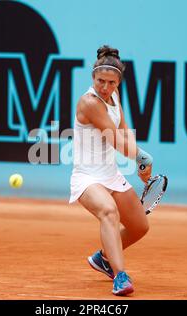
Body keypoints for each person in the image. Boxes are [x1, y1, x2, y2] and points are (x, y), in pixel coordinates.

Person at [69, 45, 153, 296]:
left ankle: (103, 258)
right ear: (93, 77)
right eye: (100, 81)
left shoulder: (114, 98)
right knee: (108, 211)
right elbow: (116, 140)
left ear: (118, 83)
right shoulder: (89, 102)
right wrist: (143, 156)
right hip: (87, 178)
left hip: (111, 175)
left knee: (140, 227)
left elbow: (125, 130)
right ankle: (120, 276)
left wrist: (139, 161)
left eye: (111, 83)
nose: (104, 87)